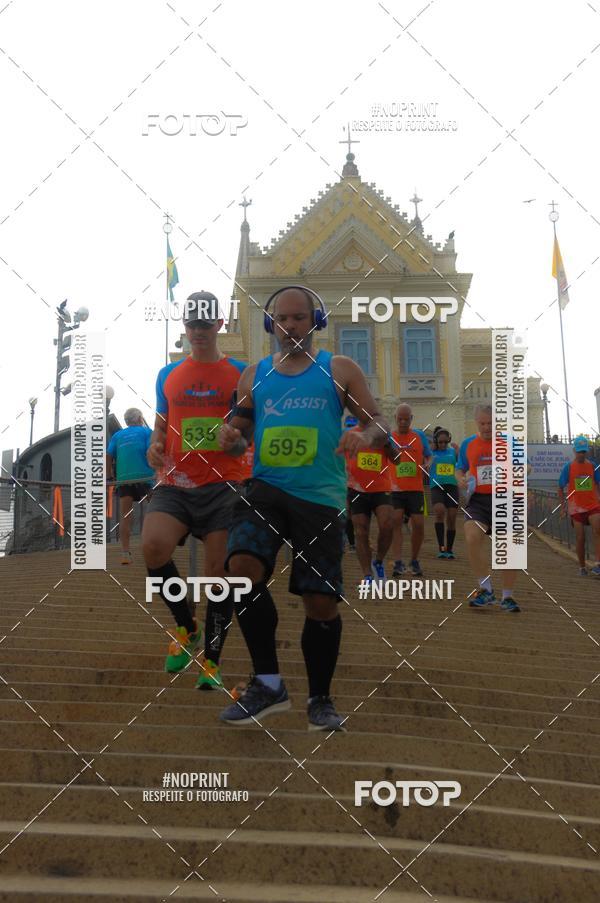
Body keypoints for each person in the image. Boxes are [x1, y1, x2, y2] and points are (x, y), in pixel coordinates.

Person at [217, 285, 391, 731]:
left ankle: (320, 699)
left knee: (320, 602)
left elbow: (378, 423)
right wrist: (230, 434)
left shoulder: (339, 369)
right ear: (270, 324)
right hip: (266, 489)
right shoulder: (254, 373)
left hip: (320, 498)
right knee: (239, 571)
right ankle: (268, 682)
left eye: (299, 318)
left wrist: (363, 436)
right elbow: (240, 420)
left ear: (315, 321)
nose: (290, 326)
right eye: (282, 318)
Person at [142, 291, 246, 689]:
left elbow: (246, 437)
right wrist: (154, 445)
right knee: (153, 547)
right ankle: (188, 628)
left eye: (206, 323)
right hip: (176, 481)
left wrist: (234, 443)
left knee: (220, 574)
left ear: (219, 324)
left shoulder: (240, 373)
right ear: (184, 326)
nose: (198, 331)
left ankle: (212, 661)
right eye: (192, 323)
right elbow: (161, 425)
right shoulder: (167, 375)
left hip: (225, 483)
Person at [456, 404, 521, 612]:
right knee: (472, 536)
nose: (486, 427)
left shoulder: (510, 442)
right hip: (478, 501)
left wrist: (518, 471)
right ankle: (486, 590)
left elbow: (526, 466)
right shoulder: (468, 444)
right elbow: (460, 468)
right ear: (477, 423)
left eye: (490, 423)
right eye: (482, 423)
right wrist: (461, 480)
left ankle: (508, 597)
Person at [345, 421, 393, 583]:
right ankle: (367, 575)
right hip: (356, 489)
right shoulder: (350, 434)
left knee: (387, 525)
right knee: (361, 531)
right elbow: (342, 464)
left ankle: (378, 561)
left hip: (381, 488)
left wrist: (387, 445)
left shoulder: (382, 433)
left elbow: (398, 460)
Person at [388, 404, 432, 577]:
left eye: (407, 419)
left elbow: (429, 455)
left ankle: (414, 560)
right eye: (400, 419)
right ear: (395, 418)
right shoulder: (389, 437)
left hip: (415, 488)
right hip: (395, 488)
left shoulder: (419, 436)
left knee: (419, 524)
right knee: (396, 521)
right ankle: (398, 562)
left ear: (411, 419)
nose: (403, 422)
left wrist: (427, 464)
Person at [106, 409, 154, 564]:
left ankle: (125, 553)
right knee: (155, 511)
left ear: (126, 421)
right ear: (140, 418)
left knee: (125, 515)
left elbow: (108, 455)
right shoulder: (147, 431)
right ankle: (153, 547)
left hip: (124, 479)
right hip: (146, 477)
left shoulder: (117, 435)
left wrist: (109, 476)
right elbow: (150, 451)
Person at [558, 436, 600, 576]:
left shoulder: (593, 466)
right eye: (579, 451)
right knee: (580, 537)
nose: (582, 454)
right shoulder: (568, 467)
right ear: (574, 450)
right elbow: (560, 487)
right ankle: (582, 567)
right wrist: (563, 507)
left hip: (592, 504)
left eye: (584, 451)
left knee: (597, 530)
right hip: (576, 507)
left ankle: (598, 564)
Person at [430, 428, 459, 559]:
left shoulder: (453, 451)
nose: (442, 444)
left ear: (449, 440)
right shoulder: (431, 452)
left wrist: (459, 452)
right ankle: (441, 547)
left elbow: (461, 464)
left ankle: (450, 549)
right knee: (439, 511)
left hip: (452, 486)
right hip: (437, 486)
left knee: (452, 516)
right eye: (440, 442)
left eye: (445, 442)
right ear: (436, 441)